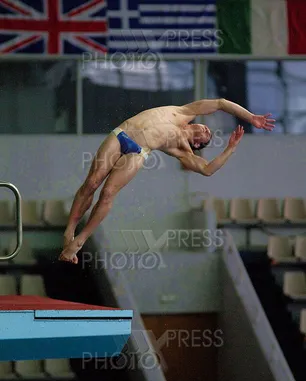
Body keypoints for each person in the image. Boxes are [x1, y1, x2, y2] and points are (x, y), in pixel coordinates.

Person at [59, 98, 275, 263]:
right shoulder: (184, 112)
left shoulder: (182, 150)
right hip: (122, 134)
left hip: (137, 152)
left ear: (198, 145)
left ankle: (80, 241)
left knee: (107, 194)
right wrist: (251, 117)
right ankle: (69, 231)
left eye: (207, 138)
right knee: (91, 183)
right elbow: (220, 103)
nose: (207, 131)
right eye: (207, 129)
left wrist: (231, 148)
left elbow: (208, 170)